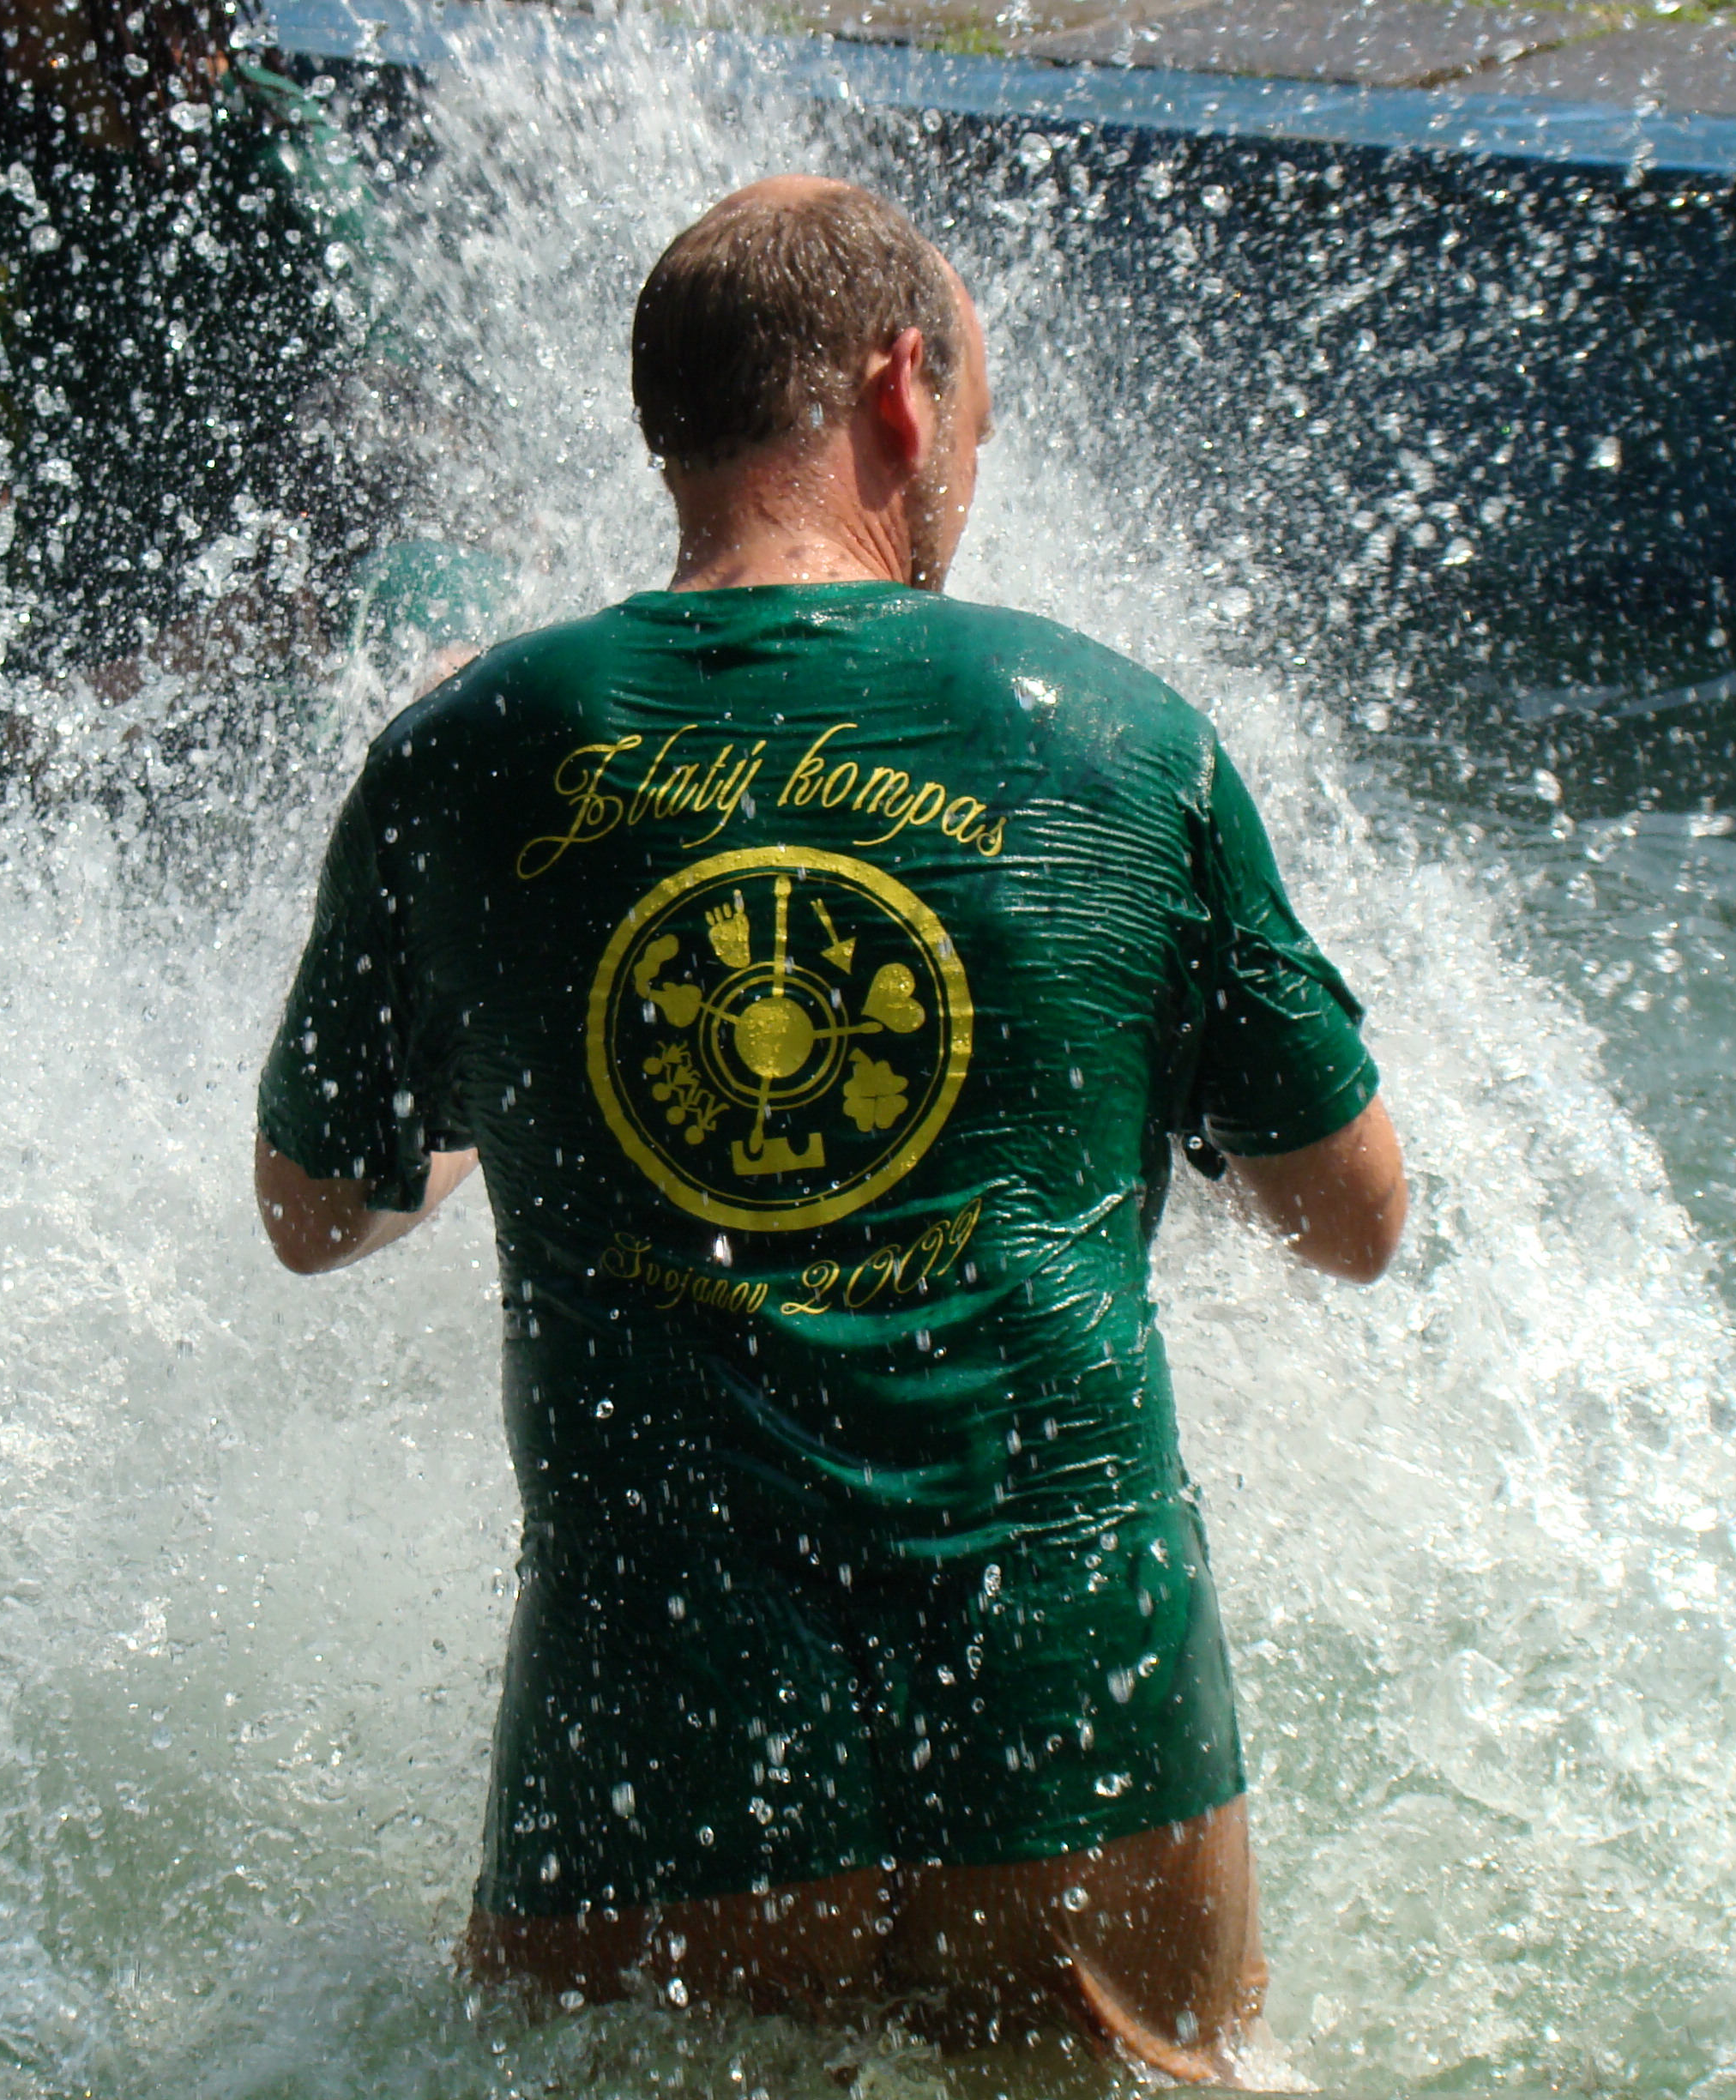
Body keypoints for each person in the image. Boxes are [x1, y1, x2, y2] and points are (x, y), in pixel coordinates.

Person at [254, 175, 1405, 2077]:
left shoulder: (467, 747)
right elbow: (1352, 1224)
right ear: (897, 391)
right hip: (1078, 1733)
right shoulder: (1120, 738)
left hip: (650, 1756)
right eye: (972, 426)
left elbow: (315, 1212)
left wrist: (498, 1099)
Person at [0, 0, 393, 791]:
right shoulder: (11, 154)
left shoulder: (271, 156)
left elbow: (383, 443)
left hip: (257, 691)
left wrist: (162, 666)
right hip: (68, 656)